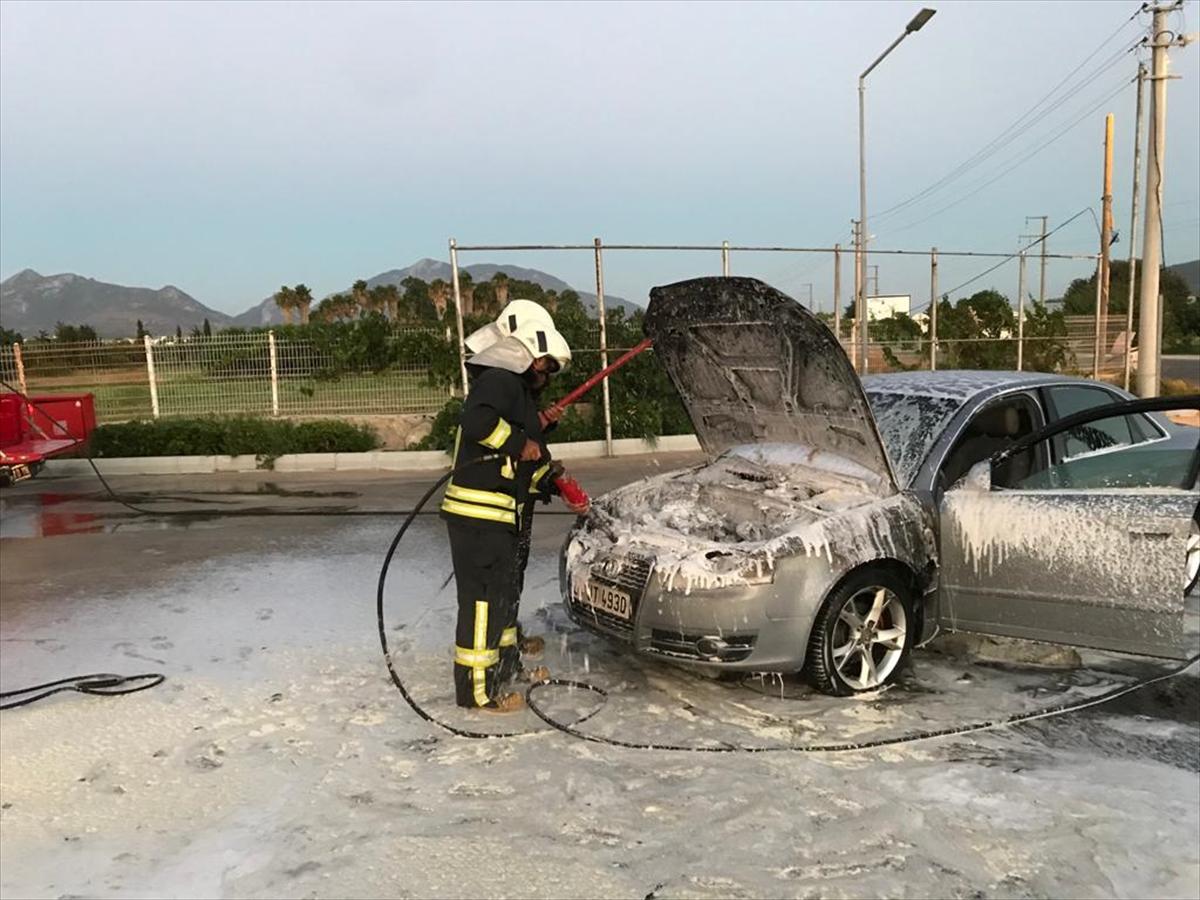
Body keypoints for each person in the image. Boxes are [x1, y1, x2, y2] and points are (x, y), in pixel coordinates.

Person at [442, 303, 588, 712]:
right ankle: (476, 693)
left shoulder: (512, 388)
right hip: (480, 515)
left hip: (498, 513)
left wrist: (548, 472)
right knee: (482, 604)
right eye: (546, 364)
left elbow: (525, 459)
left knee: (502, 598)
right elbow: (477, 423)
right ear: (528, 351)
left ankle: (505, 669)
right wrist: (518, 442)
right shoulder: (501, 381)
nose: (547, 373)